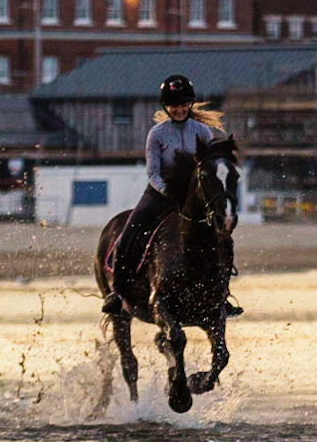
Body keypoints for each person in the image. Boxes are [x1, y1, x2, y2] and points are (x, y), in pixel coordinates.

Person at [101, 74, 242, 317]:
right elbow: (152, 172)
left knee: (224, 239)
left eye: (183, 104)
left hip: (194, 199)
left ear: (190, 104)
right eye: (173, 106)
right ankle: (117, 291)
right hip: (160, 194)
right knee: (129, 234)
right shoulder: (156, 134)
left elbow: (207, 169)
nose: (178, 109)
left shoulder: (203, 132)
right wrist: (171, 193)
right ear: (166, 107)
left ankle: (223, 294)